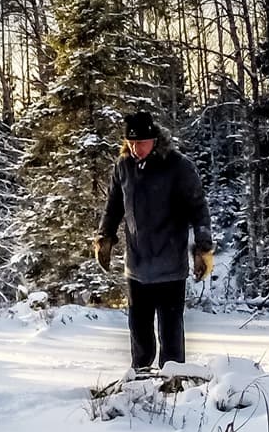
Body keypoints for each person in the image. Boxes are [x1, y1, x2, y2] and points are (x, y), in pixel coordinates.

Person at [92, 109, 215, 373]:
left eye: (141, 143)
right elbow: (113, 205)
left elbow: (198, 208)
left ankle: (173, 384)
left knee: (171, 335)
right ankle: (141, 382)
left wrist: (202, 248)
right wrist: (105, 237)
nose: (136, 149)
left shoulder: (178, 166)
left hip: (170, 265)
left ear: (155, 139)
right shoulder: (123, 166)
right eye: (131, 143)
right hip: (137, 266)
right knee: (139, 334)